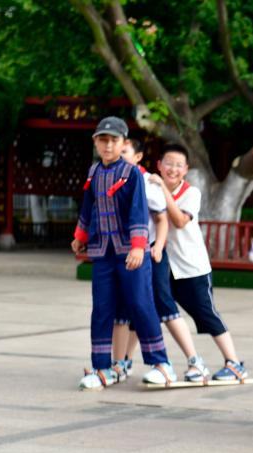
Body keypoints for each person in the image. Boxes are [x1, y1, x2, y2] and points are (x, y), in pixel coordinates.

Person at [71, 116, 174, 389]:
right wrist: (80, 236)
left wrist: (140, 247)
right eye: (102, 140)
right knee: (102, 309)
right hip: (102, 252)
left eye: (113, 141)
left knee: (141, 305)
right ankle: (102, 367)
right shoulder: (93, 172)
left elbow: (138, 211)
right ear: (95, 142)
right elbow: (88, 208)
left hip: (131, 253)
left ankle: (161, 364)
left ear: (123, 143)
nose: (107, 145)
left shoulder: (131, 174)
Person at [147, 143, 248, 383]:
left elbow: (180, 221)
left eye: (178, 165)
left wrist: (162, 189)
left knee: (206, 315)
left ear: (186, 169)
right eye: (168, 163)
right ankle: (128, 363)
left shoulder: (191, 193)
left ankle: (234, 363)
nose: (173, 169)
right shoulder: (149, 190)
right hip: (164, 265)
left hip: (192, 268)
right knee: (149, 310)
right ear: (159, 165)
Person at [111, 137, 203, 383]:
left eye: (124, 151)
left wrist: (158, 248)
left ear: (138, 157)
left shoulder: (147, 182)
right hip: (124, 254)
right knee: (127, 309)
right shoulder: (109, 179)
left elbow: (164, 220)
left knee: (160, 306)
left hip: (150, 253)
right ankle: (121, 363)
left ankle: (192, 361)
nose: (117, 155)